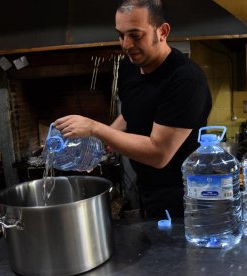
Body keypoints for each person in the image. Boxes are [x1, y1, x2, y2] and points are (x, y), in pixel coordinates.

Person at [54, 0, 212, 218]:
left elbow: (159, 154)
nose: (126, 44)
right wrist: (98, 146)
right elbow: (130, 114)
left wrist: (95, 128)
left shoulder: (185, 80)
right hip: (147, 187)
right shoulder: (131, 66)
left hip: (183, 195)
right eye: (121, 35)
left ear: (162, 32)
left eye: (136, 35)